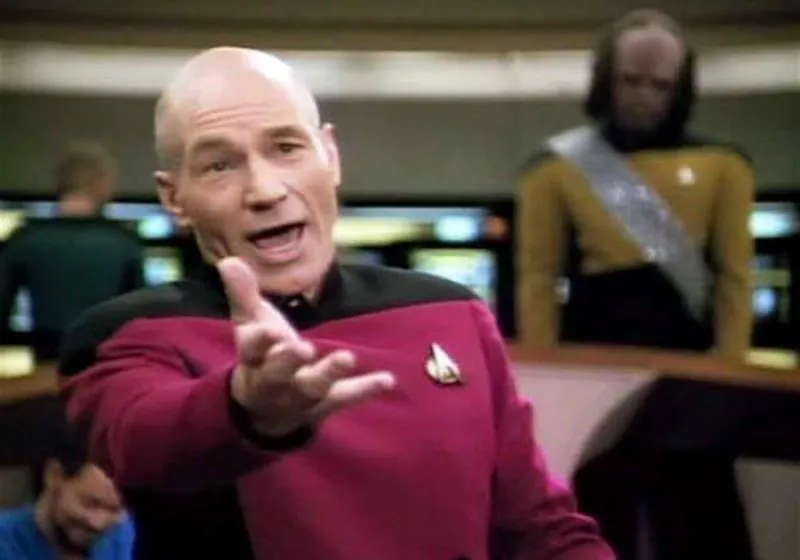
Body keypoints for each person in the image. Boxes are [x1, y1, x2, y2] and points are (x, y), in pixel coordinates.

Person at [57, 47, 614, 559]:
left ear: (330, 155)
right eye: (220, 165)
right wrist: (247, 411)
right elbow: (145, 441)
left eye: (286, 148)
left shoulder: (452, 313)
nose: (265, 190)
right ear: (174, 197)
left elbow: (538, 529)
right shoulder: (127, 334)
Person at [515, 10, 755, 560]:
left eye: (660, 85)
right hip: (595, 359)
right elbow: (537, 281)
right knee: (600, 517)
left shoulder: (724, 166)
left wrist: (732, 378)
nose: (644, 97)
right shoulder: (553, 170)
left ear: (681, 89)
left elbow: (734, 280)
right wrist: (545, 388)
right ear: (605, 80)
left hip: (691, 367)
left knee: (704, 520)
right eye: (631, 81)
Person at [0, 142, 145, 359]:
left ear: (60, 184)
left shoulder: (25, 239)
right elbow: (139, 319)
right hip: (103, 362)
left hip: (45, 361)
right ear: (103, 186)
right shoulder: (124, 243)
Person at [0, 417, 133, 560]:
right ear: (53, 475)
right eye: (90, 504)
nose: (98, 523)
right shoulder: (6, 543)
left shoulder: (120, 533)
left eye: (115, 510)